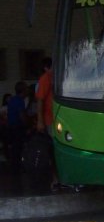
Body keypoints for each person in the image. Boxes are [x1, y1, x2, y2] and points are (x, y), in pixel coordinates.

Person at [35, 57, 58, 188]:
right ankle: (55, 178)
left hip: (59, 119)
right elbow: (40, 100)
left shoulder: (57, 77)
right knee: (53, 150)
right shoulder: (46, 78)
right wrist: (40, 121)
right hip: (50, 120)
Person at [7, 81, 28, 173]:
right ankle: (17, 168)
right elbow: (21, 115)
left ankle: (13, 167)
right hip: (17, 127)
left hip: (10, 126)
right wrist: (27, 125)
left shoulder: (12, 99)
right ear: (23, 90)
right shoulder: (20, 101)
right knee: (18, 147)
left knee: (14, 147)